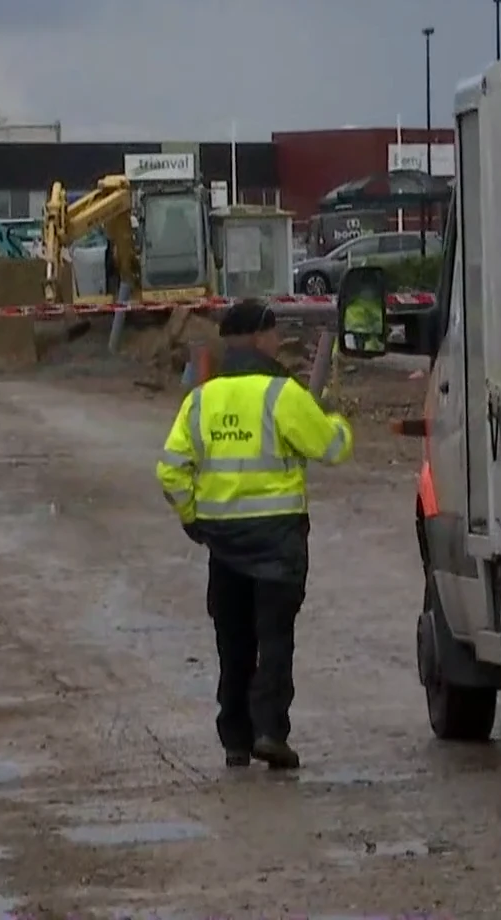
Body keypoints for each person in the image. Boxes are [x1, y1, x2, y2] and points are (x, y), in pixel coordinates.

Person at [156, 299, 353, 770]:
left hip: (223, 543)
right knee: (275, 638)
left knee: (234, 641)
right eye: (274, 332)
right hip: (278, 538)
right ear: (261, 337)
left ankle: (236, 739)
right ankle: (270, 731)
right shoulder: (281, 394)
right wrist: (338, 421)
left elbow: (170, 471)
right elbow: (331, 448)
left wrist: (193, 520)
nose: (278, 340)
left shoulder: (201, 399)